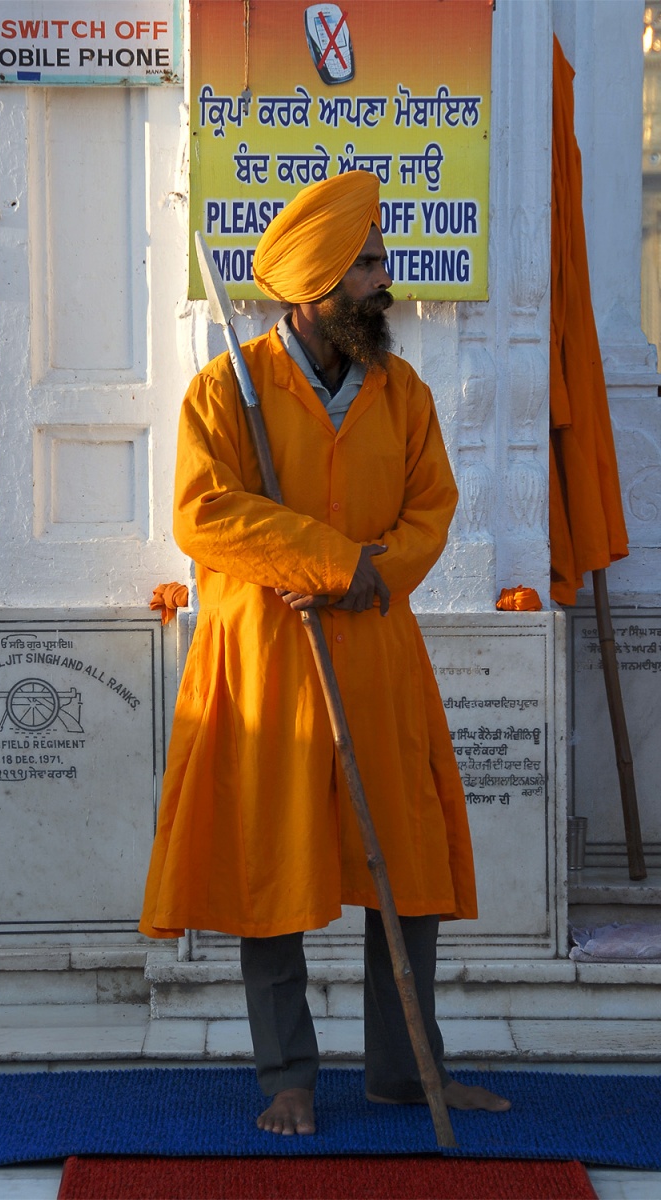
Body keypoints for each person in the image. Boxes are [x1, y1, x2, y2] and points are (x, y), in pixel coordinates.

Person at [139, 171, 510, 1134]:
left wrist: (368, 575)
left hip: (378, 657)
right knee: (275, 869)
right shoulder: (227, 389)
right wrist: (334, 559)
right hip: (268, 662)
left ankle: (404, 1068)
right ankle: (287, 1077)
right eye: (368, 268)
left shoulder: (403, 391)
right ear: (314, 287)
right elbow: (203, 515)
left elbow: (432, 507)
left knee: (408, 863)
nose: (385, 283)